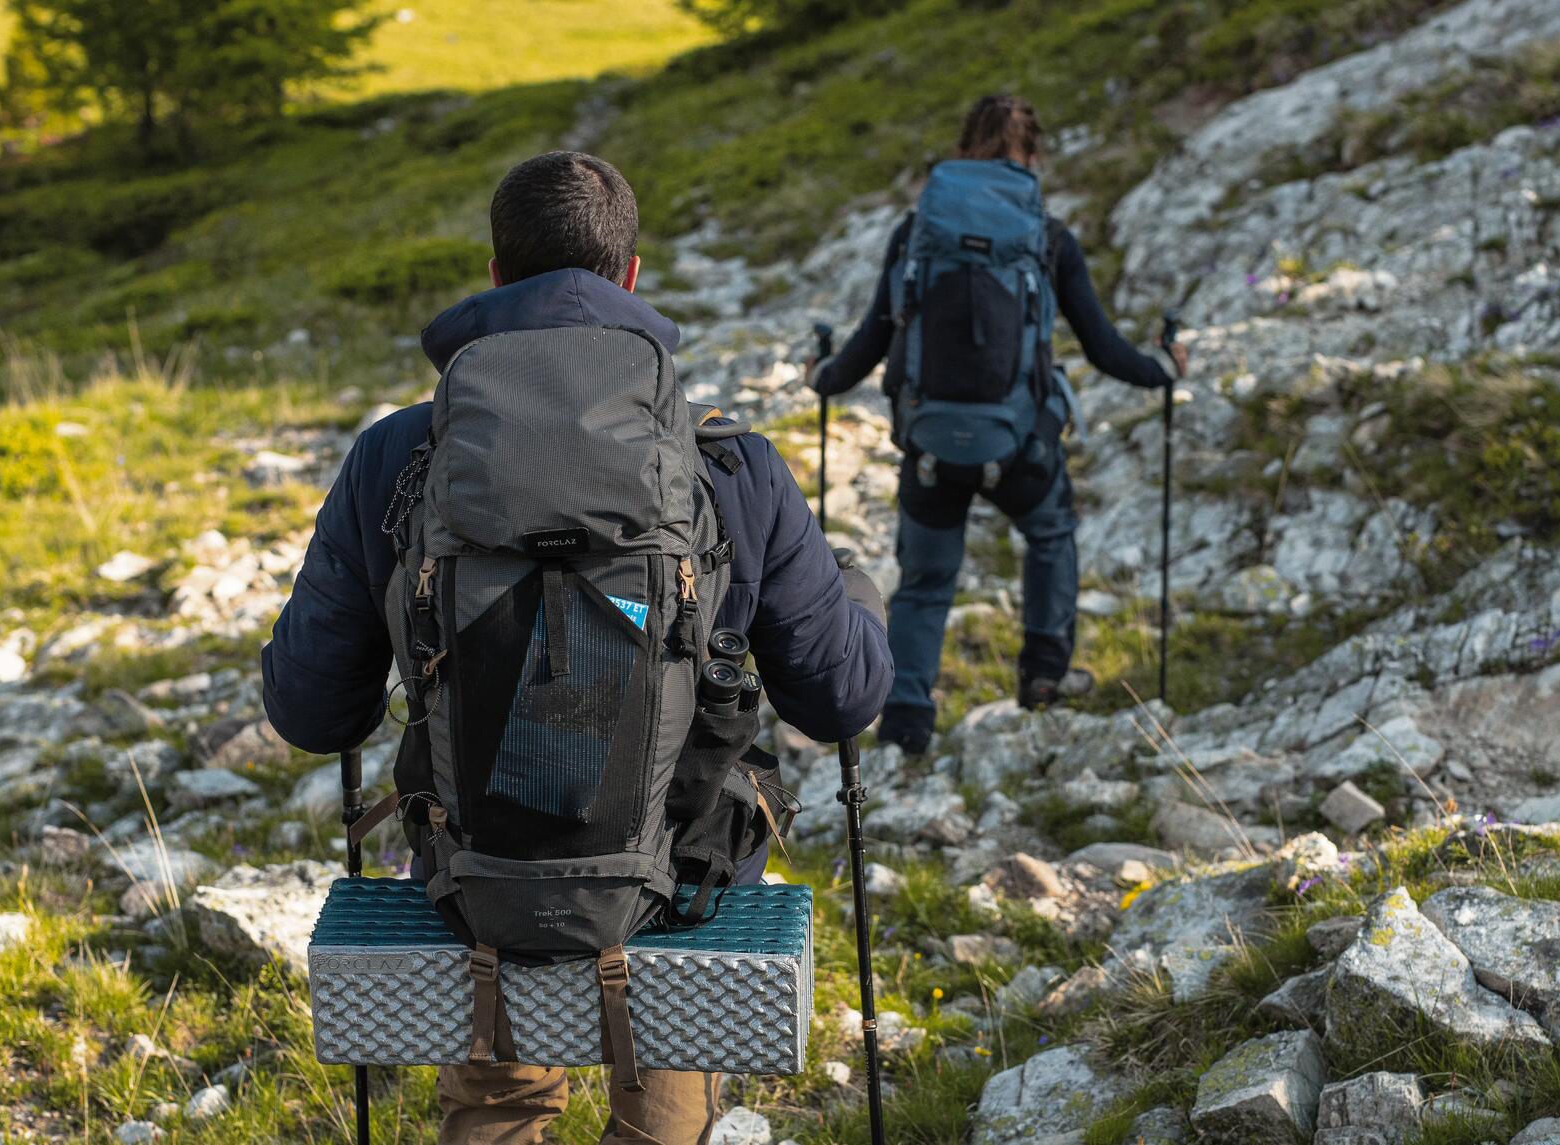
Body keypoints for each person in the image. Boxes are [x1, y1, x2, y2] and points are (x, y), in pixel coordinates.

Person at [261, 151, 893, 1145]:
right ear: (632, 277)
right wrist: (858, 593)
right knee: (685, 883)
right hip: (675, 868)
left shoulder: (399, 456)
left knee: (497, 1102)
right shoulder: (729, 462)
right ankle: (662, 1117)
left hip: (475, 868)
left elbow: (311, 712)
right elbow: (840, 697)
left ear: (496, 276)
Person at [809, 93, 1188, 757]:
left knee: (926, 582)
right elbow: (1103, 348)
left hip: (928, 443)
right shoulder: (1046, 236)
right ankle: (1043, 674)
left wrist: (822, 376)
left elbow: (869, 342)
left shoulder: (917, 233)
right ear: (1033, 156)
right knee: (1050, 532)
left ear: (962, 149)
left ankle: (904, 721)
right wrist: (1163, 368)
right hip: (1020, 447)